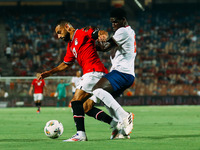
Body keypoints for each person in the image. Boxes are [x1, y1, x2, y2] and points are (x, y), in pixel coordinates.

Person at [38, 19, 119, 142]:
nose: (59, 36)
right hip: (97, 74)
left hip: (94, 72)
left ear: (67, 27)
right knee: (86, 107)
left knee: (76, 102)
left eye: (59, 32)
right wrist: (50, 72)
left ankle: (80, 134)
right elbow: (66, 64)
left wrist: (103, 34)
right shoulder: (70, 46)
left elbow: (97, 33)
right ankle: (115, 124)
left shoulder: (81, 33)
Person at [92, 8, 136, 138]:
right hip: (127, 73)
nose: (113, 25)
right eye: (111, 22)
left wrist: (90, 42)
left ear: (123, 20)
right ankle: (119, 128)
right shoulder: (128, 31)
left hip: (122, 73)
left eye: (115, 22)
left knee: (97, 89)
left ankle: (124, 116)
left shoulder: (122, 31)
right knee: (105, 98)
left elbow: (105, 47)